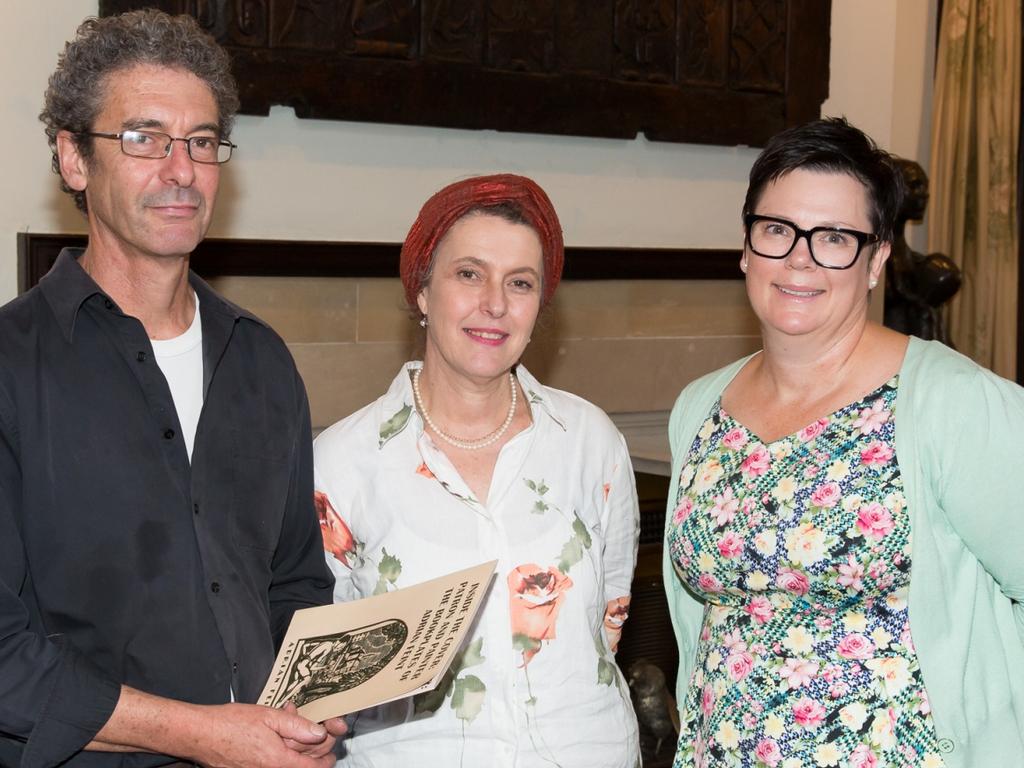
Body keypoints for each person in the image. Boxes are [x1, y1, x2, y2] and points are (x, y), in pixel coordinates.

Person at [0, 10, 345, 767]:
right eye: (144, 138)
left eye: (201, 142)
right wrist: (203, 734)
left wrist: (315, 705)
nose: (181, 170)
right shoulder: (10, 368)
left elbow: (294, 584)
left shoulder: (261, 361)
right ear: (73, 159)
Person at [662, 117, 1024, 768]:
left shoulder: (951, 402)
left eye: (834, 237)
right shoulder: (698, 409)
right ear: (746, 247)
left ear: (878, 258)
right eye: (777, 230)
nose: (799, 258)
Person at [313, 173, 641, 767]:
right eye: (469, 274)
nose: (495, 304)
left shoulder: (591, 442)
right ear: (421, 290)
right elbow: (323, 682)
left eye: (520, 283)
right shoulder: (342, 462)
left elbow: (608, 623)